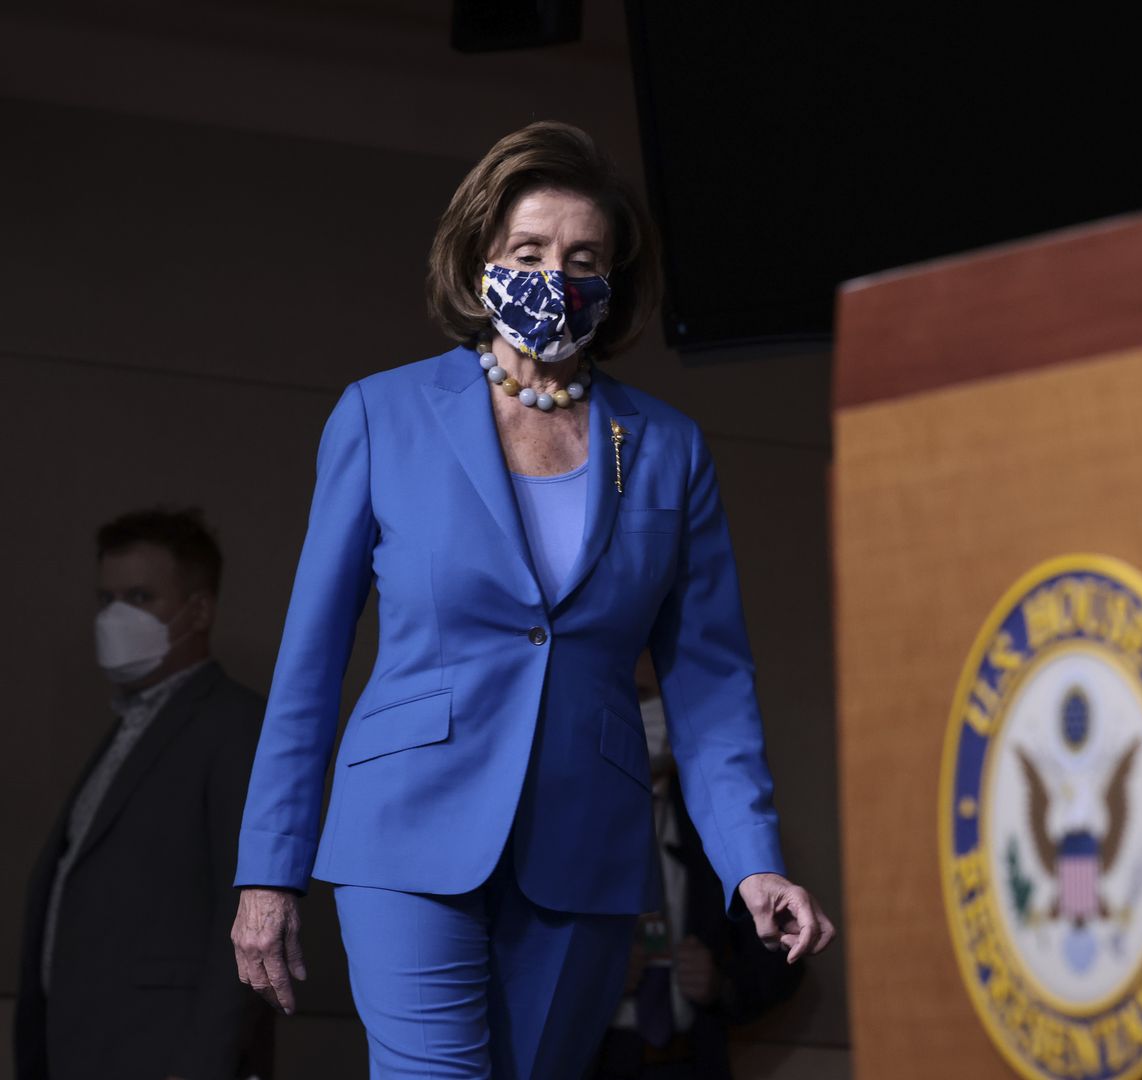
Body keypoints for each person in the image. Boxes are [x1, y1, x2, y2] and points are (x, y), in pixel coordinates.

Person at [227, 121, 835, 1080]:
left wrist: (751, 861)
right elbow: (310, 661)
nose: (557, 276)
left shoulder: (669, 449)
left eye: (584, 259)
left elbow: (711, 684)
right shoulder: (382, 415)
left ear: (614, 280)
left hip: (585, 844)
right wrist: (270, 867)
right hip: (407, 830)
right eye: (529, 252)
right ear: (480, 264)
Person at [15, 508, 269, 1080]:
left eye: (139, 597)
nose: (115, 617)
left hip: (162, 1053)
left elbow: (249, 914)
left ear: (198, 610)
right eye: (106, 599)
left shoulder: (235, 725)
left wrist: (204, 1064)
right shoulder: (129, 728)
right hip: (82, 1047)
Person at [593, 676, 803, 1079]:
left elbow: (784, 958)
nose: (646, 712)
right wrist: (597, 980)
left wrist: (721, 985)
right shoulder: (571, 830)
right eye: (636, 695)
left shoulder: (718, 831)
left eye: (653, 696)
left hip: (694, 1060)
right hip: (599, 1061)